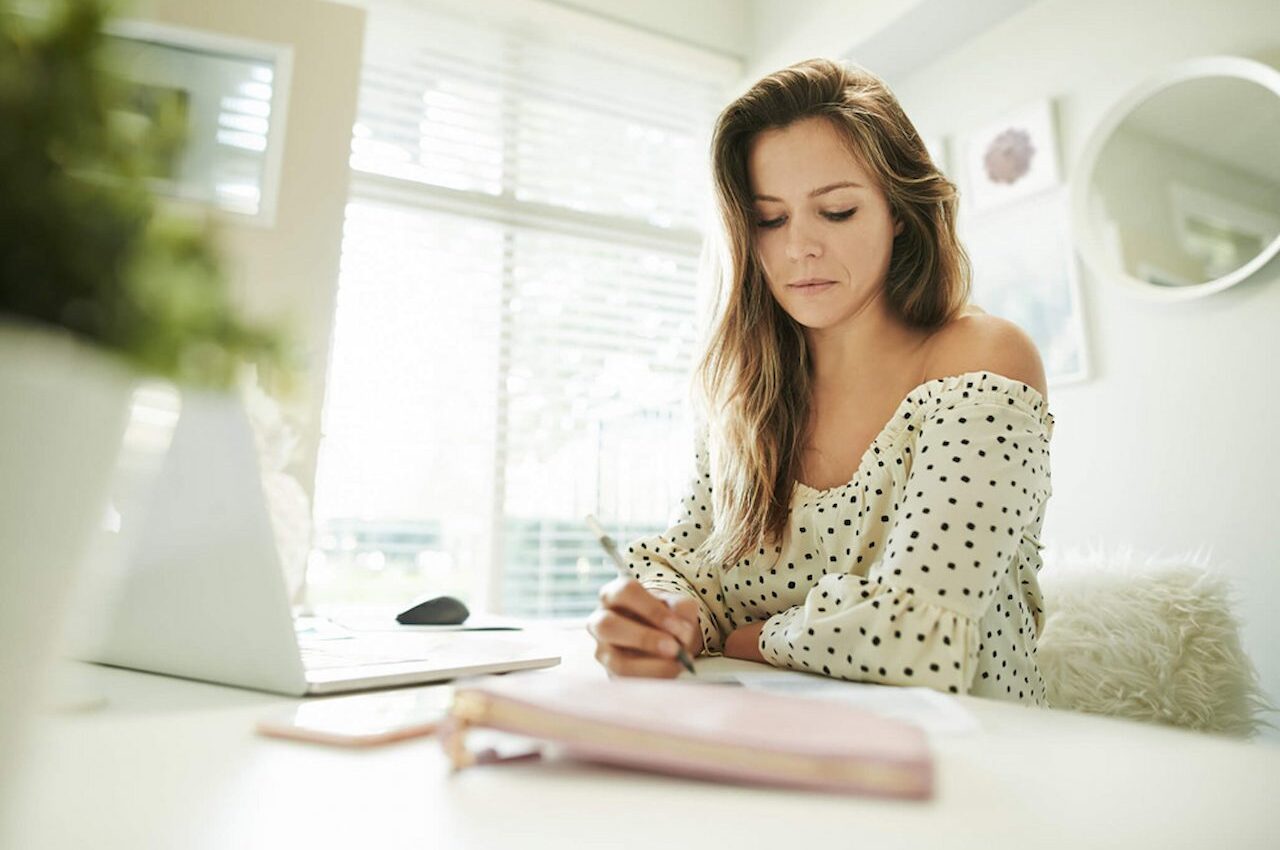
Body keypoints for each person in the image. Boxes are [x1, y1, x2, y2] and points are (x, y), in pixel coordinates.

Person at [586, 58, 1054, 705]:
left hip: (968, 765)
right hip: (778, 748)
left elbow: (915, 639)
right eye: (770, 219)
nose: (798, 247)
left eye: (835, 211)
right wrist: (667, 615)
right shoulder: (743, 395)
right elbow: (691, 570)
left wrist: (752, 639)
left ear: (898, 210)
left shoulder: (984, 359)